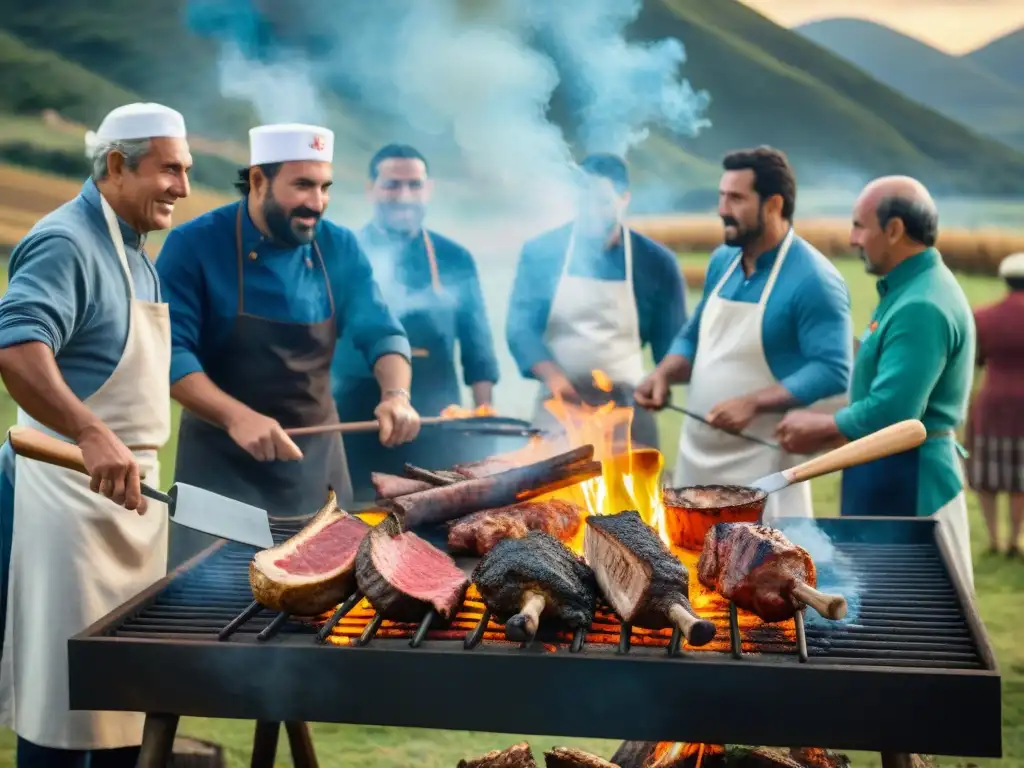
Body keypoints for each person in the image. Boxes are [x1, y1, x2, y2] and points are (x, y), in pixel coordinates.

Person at [0, 103, 191, 768]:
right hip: (65, 503)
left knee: (121, 709)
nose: (183, 188)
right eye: (170, 169)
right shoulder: (67, 241)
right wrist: (88, 433)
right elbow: (19, 348)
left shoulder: (138, 255)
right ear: (117, 164)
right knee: (61, 711)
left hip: (128, 502)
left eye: (187, 171)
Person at [156, 124, 419, 569]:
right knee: (207, 601)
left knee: (325, 599)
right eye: (302, 186)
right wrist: (235, 416)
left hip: (315, 470)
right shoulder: (194, 245)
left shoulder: (338, 246)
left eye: (324, 187)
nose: (316, 203)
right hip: (220, 466)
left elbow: (382, 331)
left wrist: (396, 395)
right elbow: (169, 354)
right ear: (258, 180)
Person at [775, 175, 976, 590]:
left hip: (910, 484)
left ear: (895, 229)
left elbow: (893, 410)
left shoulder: (921, 303)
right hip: (887, 475)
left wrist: (823, 427)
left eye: (859, 225)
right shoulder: (910, 290)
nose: (852, 238)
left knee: (915, 614)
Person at [634, 146, 852, 523]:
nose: (722, 208)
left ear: (773, 204)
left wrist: (752, 403)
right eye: (722, 196)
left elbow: (832, 369)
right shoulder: (723, 260)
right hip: (695, 463)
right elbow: (692, 336)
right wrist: (663, 373)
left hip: (761, 470)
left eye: (736, 198)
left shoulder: (814, 279)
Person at [332, 144, 500, 496]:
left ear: (429, 189)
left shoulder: (455, 258)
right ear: (371, 188)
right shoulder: (345, 253)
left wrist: (484, 417)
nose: (404, 196)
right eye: (392, 184)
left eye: (414, 185)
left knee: (436, 521)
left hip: (436, 419)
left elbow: (477, 345)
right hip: (356, 418)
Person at [505, 153, 688, 450]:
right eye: (584, 201)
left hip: (628, 409)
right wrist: (555, 380)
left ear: (624, 198)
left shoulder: (656, 262)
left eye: (602, 202)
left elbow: (673, 345)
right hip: (558, 407)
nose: (591, 212)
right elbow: (520, 329)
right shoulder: (542, 252)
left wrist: (661, 380)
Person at [967, 252, 1024, 556]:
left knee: (988, 473)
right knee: (1019, 476)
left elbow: (975, 361)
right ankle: (1016, 538)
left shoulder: (985, 316)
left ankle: (993, 538)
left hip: (993, 402)